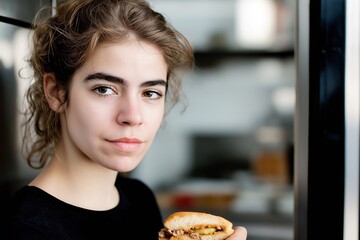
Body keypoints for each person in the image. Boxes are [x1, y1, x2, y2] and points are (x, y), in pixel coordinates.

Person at [11, 0, 248, 239]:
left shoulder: (139, 199)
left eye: (150, 93)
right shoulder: (25, 228)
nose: (133, 116)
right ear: (56, 92)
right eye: (104, 89)